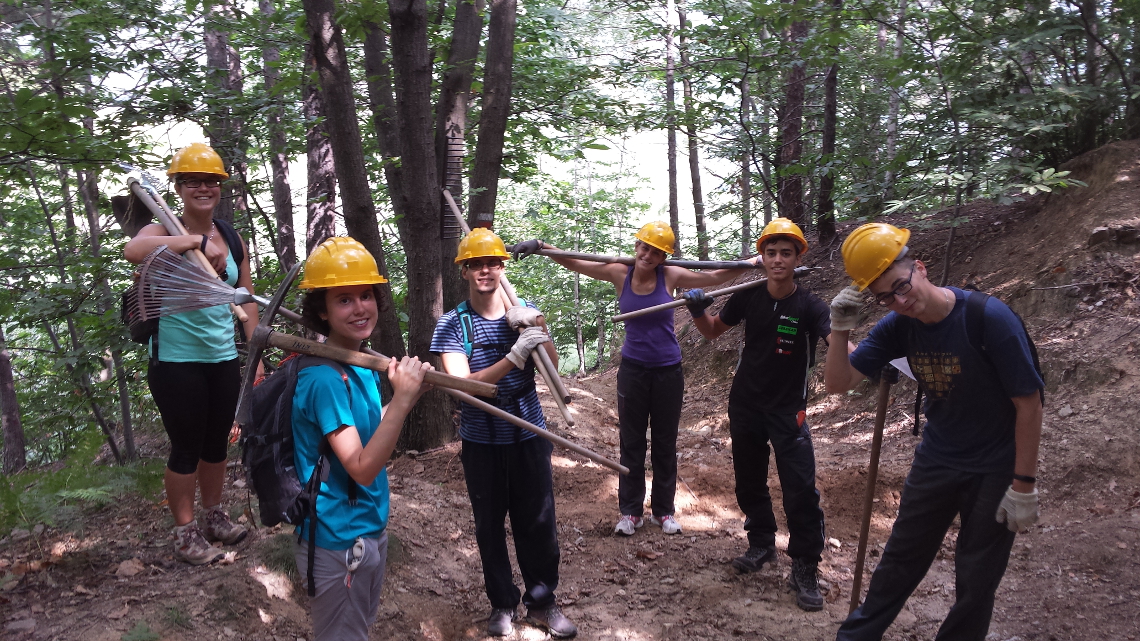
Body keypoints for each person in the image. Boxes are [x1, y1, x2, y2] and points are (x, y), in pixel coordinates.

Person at [824, 223, 1043, 640]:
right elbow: (839, 382)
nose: (899, 301)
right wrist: (840, 329)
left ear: (920, 269)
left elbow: (1028, 403)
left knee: (977, 579)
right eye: (885, 297)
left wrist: (1024, 484)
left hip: (995, 468)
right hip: (938, 460)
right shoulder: (898, 326)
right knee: (899, 561)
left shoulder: (987, 317)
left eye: (902, 286)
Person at [512, 221, 758, 538]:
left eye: (656, 251)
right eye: (644, 247)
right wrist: (543, 246)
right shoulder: (619, 273)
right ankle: (630, 512)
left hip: (669, 370)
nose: (648, 254)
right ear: (636, 246)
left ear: (663, 256)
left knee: (665, 444)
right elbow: (578, 262)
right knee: (631, 443)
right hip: (633, 371)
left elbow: (711, 276)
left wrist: (751, 263)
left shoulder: (669, 275)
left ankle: (664, 511)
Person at [430, 229, 576, 639]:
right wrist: (514, 356)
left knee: (538, 522)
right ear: (463, 270)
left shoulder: (523, 309)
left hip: (529, 435)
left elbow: (553, 366)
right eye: (476, 264)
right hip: (481, 440)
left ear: (501, 267)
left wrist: (537, 329)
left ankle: (543, 602)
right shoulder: (452, 324)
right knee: (489, 526)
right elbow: (464, 386)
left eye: (492, 263)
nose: (485, 270)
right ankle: (502, 603)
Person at [683, 218, 831, 611]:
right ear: (761, 257)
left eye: (786, 253)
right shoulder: (748, 295)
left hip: (788, 410)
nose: (778, 259)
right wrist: (699, 310)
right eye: (771, 253)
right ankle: (761, 543)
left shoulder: (811, 306)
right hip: (745, 404)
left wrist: (865, 356)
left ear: (799, 256)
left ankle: (804, 565)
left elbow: (839, 342)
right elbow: (713, 330)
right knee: (749, 481)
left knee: (800, 488)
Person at [124, 143, 260, 565]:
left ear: (220, 187)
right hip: (176, 360)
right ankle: (185, 536)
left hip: (222, 355)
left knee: (216, 442)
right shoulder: (164, 230)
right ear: (179, 187)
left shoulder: (232, 237)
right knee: (186, 444)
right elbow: (132, 251)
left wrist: (253, 354)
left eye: (211, 181)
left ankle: (214, 516)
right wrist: (194, 241)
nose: (203, 188)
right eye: (192, 181)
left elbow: (247, 297)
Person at [291, 237, 432, 641]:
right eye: (344, 300)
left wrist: (409, 396)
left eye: (366, 295)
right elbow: (363, 468)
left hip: (367, 529)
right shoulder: (323, 380)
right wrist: (401, 402)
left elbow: (367, 437)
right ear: (322, 310)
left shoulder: (362, 366)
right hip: (337, 538)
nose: (360, 308)